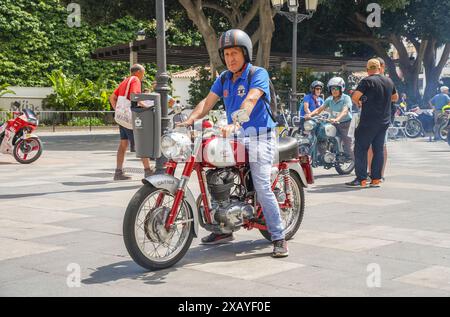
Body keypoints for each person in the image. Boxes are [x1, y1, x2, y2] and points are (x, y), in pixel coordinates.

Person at [178, 29, 288, 258]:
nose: (230, 58)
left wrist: (236, 122)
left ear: (245, 53)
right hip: (235, 135)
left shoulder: (258, 74)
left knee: (261, 186)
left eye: (235, 53)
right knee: (212, 166)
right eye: (227, 54)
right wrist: (189, 120)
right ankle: (223, 228)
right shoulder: (224, 78)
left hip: (260, 135)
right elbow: (206, 103)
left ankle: (278, 236)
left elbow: (251, 99)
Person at [347, 59, 399, 188]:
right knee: (378, 149)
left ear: (368, 69)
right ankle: (376, 179)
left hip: (368, 121)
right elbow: (395, 98)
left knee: (360, 148)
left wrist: (361, 102)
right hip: (384, 121)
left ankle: (361, 179)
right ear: (379, 68)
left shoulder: (367, 81)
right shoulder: (388, 81)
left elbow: (355, 96)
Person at [109, 64, 154, 181]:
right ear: (138, 72)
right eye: (143, 73)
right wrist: (148, 107)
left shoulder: (125, 81)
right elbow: (135, 97)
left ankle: (118, 172)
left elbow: (112, 97)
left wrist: (118, 110)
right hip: (130, 119)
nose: (143, 76)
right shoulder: (135, 80)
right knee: (141, 143)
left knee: (123, 144)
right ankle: (148, 171)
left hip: (121, 118)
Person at [305, 77, 354, 160]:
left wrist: (337, 119)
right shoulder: (329, 99)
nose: (334, 91)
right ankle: (324, 153)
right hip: (333, 123)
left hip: (346, 124)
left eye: (336, 88)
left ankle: (356, 162)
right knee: (321, 132)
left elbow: (345, 111)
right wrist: (310, 114)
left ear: (341, 88)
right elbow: (319, 109)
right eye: (332, 88)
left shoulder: (346, 98)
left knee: (348, 146)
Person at [367, 57, 394, 181]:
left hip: (383, 119)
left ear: (381, 67)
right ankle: (371, 172)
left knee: (381, 146)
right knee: (370, 147)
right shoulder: (371, 81)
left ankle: (380, 174)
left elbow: (395, 97)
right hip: (371, 119)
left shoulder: (387, 81)